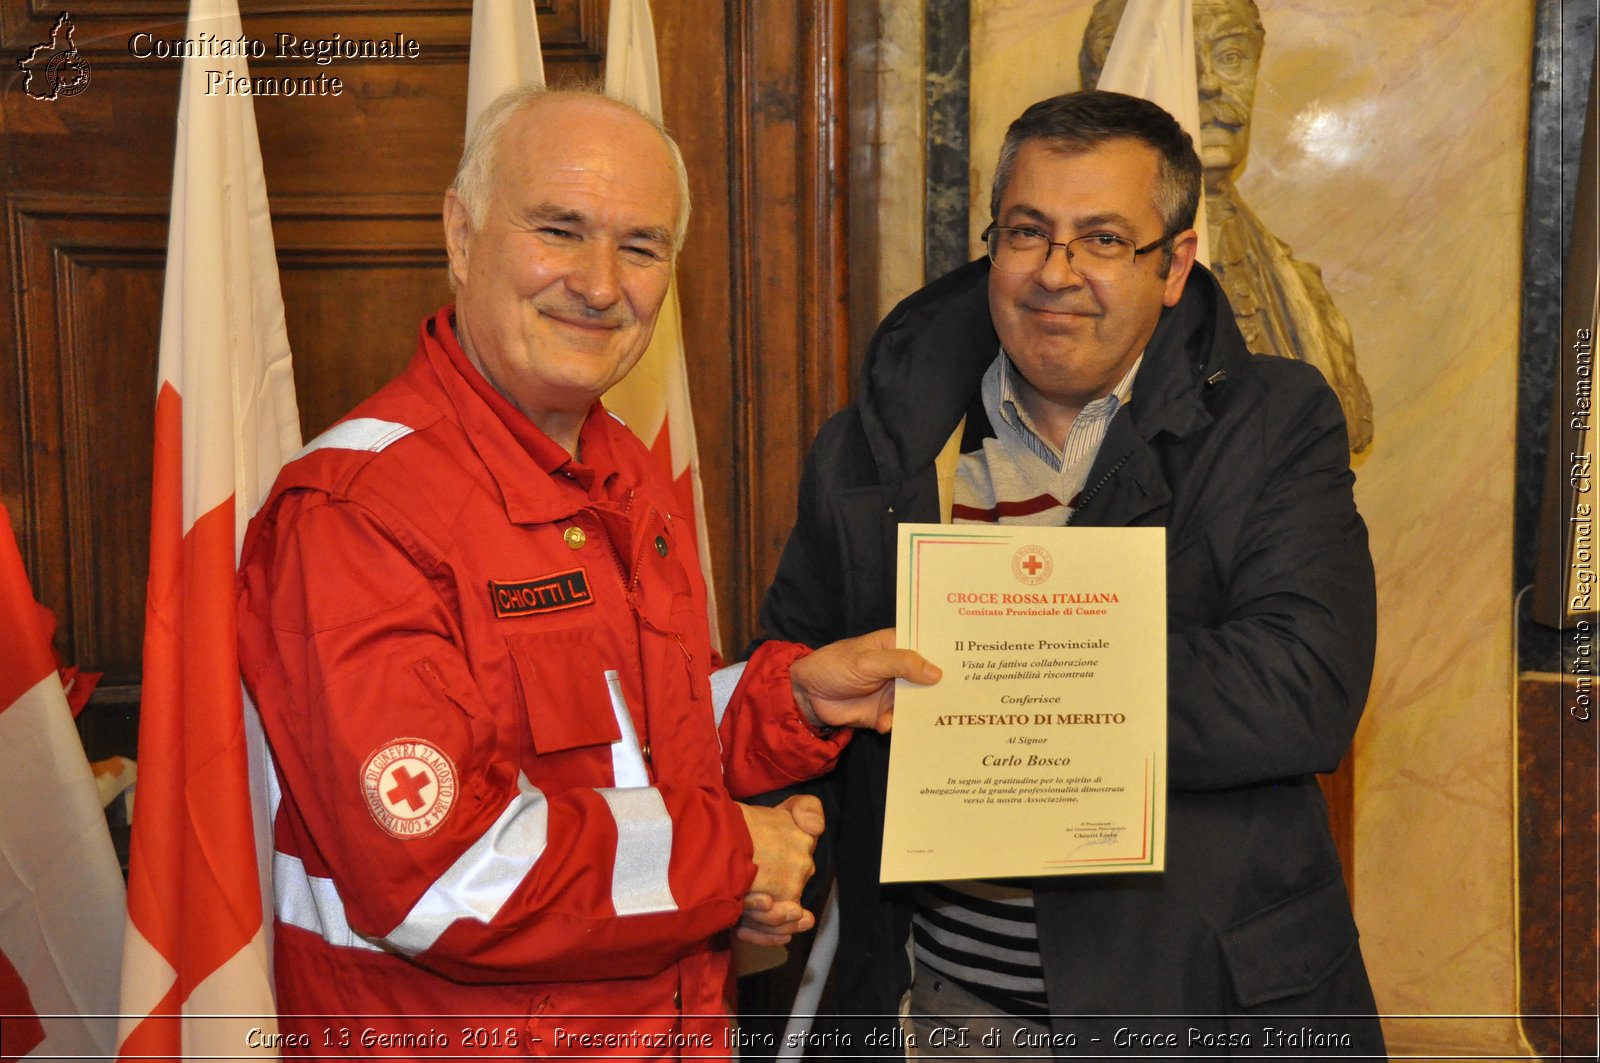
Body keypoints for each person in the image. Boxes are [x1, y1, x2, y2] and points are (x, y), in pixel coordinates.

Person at [236, 85, 938, 1058]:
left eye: (641, 246)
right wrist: (729, 855)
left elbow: (620, 748)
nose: (600, 283)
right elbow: (441, 879)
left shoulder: (618, 471)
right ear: (460, 233)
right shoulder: (357, 512)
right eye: (559, 230)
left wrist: (790, 703)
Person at [758, 90, 1386, 1057]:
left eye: (1102, 239)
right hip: (949, 1010)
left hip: (1204, 1006)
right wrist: (776, 828)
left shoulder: (1273, 424)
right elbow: (792, 673)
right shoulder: (877, 449)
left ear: (1174, 264)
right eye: (1027, 232)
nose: (1058, 273)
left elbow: (1304, 688)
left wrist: (1000, 666)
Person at [1082, 0, 1374, 453]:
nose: (1208, 85)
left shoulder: (1298, 288)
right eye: (1179, 60)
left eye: (1229, 57)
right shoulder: (1066, 292)